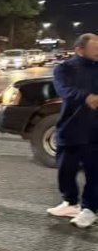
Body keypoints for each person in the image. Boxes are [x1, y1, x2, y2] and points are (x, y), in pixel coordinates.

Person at [47, 33, 98, 228]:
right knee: (65, 170)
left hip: (95, 131)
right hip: (70, 128)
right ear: (80, 50)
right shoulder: (64, 69)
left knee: (94, 173)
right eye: (95, 48)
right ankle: (70, 202)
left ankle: (90, 209)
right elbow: (64, 90)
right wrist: (86, 97)